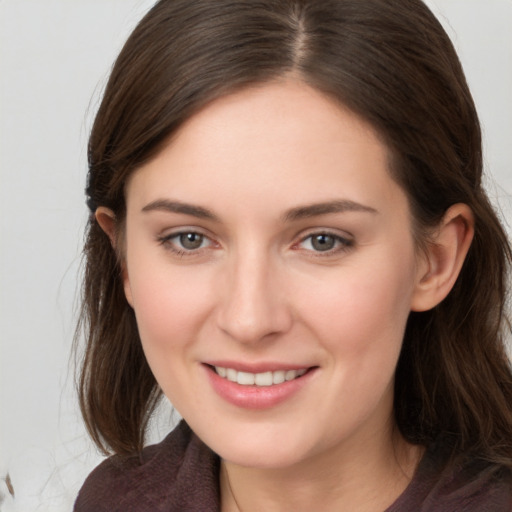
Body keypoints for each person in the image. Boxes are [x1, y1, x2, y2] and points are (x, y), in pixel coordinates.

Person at [73, 0, 512, 510]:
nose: (250, 319)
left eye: (322, 240)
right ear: (123, 256)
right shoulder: (116, 500)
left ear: (434, 260)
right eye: (188, 238)